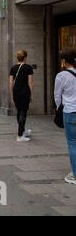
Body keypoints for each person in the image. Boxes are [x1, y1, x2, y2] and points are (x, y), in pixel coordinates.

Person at [54, 48, 76, 185]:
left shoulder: (61, 76)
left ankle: (75, 175)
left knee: (73, 143)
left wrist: (58, 108)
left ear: (63, 61)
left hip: (70, 112)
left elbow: (57, 95)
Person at [10, 50, 34, 143]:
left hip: (16, 91)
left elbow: (11, 82)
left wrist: (12, 94)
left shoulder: (13, 68)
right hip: (25, 92)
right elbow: (30, 82)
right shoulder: (28, 67)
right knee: (23, 112)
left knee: (19, 111)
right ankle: (20, 136)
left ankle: (23, 131)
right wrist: (31, 94)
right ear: (25, 57)